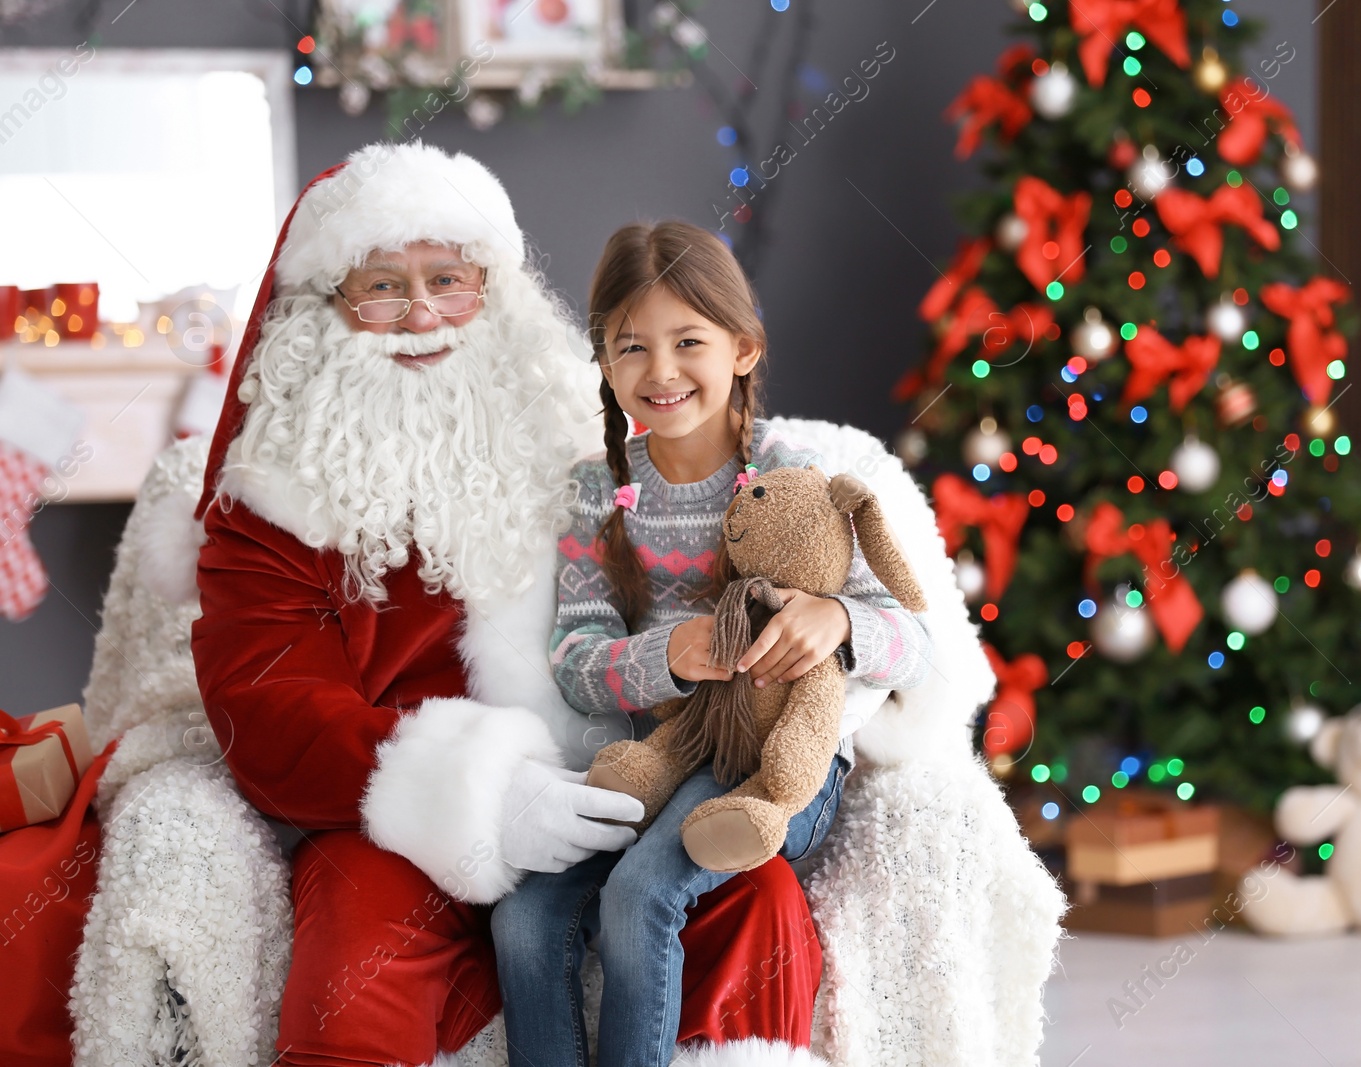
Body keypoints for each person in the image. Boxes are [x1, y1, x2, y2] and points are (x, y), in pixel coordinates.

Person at [189, 144, 825, 1067]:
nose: (420, 317)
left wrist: (835, 635)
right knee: (354, 959)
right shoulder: (272, 499)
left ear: (492, 289)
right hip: (397, 814)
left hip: (627, 770)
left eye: (448, 279)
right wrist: (480, 792)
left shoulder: (587, 434)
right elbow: (264, 702)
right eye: (380, 288)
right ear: (322, 309)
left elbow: (757, 531)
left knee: (753, 894)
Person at [491, 220, 934, 1067]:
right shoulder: (597, 490)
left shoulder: (792, 471)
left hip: (775, 763)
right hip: (662, 752)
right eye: (631, 348)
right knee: (523, 917)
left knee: (639, 895)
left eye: (687, 341)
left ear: (742, 349)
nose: (660, 371)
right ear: (605, 363)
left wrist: (838, 622)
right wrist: (668, 654)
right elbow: (578, 660)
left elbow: (915, 642)